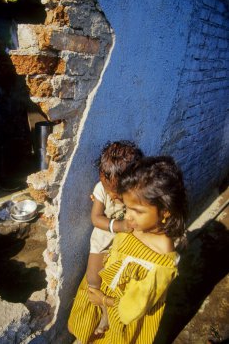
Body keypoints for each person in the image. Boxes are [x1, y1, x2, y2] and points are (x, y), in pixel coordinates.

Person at [68, 156, 187, 344]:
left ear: (165, 211)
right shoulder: (138, 226)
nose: (128, 217)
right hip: (106, 292)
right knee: (88, 330)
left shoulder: (159, 265)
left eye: (137, 211)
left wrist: (104, 301)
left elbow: (129, 311)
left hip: (121, 317)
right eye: (126, 207)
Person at [86, 141, 144, 334]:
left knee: (119, 282)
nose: (111, 195)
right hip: (104, 238)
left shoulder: (137, 192)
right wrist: (117, 225)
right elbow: (95, 218)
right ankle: (104, 312)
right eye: (108, 188)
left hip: (127, 243)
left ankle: (117, 312)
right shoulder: (101, 189)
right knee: (93, 279)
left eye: (116, 193)